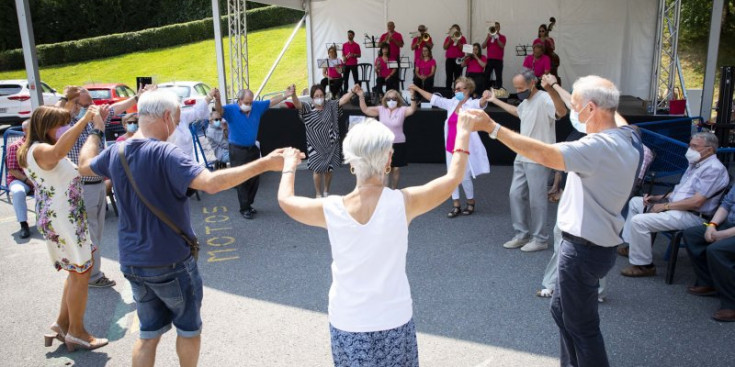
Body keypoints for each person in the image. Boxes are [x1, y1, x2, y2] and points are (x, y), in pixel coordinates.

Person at [78, 89, 290, 367]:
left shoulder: (116, 151)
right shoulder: (166, 153)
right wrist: (264, 163)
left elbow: (83, 166)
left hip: (133, 262)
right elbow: (212, 183)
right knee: (189, 330)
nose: (176, 126)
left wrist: (95, 131)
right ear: (166, 116)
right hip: (171, 261)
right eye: (176, 120)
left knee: (148, 334)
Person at [277, 114, 490, 367]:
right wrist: (463, 131)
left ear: (351, 160)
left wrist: (289, 164)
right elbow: (453, 177)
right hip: (394, 318)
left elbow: (286, 201)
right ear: (389, 159)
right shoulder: (404, 202)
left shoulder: (331, 208)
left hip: (348, 320)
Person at [468, 75, 640, 367]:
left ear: (591, 109)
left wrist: (492, 128)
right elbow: (610, 110)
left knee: (582, 328)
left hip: (583, 249)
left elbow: (545, 154)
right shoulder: (628, 135)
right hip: (593, 246)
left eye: (575, 105)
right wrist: (560, 88)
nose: (571, 111)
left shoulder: (597, 147)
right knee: (562, 312)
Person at [18, 105, 108, 351]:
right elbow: (59, 151)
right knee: (81, 274)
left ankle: (62, 324)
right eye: (60, 124)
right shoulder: (42, 150)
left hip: (61, 217)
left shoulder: (30, 149)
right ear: (46, 127)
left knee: (75, 272)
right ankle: (77, 332)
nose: (64, 128)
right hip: (65, 219)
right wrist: (85, 121)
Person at [620, 132, 729, 277]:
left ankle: (644, 266)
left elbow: (697, 202)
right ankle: (634, 247)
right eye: (690, 145)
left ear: (709, 150)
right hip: (678, 208)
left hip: (695, 216)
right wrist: (657, 198)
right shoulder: (696, 164)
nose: (690, 149)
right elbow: (681, 192)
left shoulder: (713, 169)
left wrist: (664, 207)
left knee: (639, 221)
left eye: (695, 146)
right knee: (635, 202)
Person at [63, 85, 141, 288]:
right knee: (89, 232)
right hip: (82, 186)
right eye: (87, 105)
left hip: (96, 183)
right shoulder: (68, 123)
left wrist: (135, 97)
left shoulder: (93, 120)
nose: (92, 108)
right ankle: (92, 275)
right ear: (73, 104)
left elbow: (115, 109)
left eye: (92, 104)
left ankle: (89, 272)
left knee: (96, 232)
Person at [486, 70, 567, 252]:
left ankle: (540, 239)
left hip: (538, 156)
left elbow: (561, 112)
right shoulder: (527, 101)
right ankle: (521, 235)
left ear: (532, 83)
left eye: (521, 87)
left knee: (536, 200)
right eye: (516, 88)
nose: (518, 91)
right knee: (515, 194)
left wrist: (553, 90)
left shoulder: (545, 98)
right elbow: (517, 111)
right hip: (522, 155)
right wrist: (495, 100)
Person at [409, 76, 491, 217]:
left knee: (464, 177)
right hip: (450, 146)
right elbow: (433, 98)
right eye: (455, 88)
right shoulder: (452, 103)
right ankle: (456, 204)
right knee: (451, 176)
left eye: (459, 88)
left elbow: (482, 103)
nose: (456, 91)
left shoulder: (471, 104)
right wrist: (416, 88)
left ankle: (470, 202)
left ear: (468, 90)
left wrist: (486, 96)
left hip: (464, 148)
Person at [214, 86, 293, 219]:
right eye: (246, 102)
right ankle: (244, 208)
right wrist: (218, 99)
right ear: (239, 101)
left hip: (252, 149)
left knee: (254, 178)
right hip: (237, 150)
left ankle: (249, 204)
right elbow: (219, 110)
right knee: (241, 178)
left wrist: (285, 95)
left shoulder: (256, 106)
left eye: (250, 102)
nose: (249, 105)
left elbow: (271, 101)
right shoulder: (231, 110)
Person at [682, 187, 735, 322]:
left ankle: (731, 303)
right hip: (728, 224)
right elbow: (726, 205)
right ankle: (708, 282)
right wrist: (712, 225)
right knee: (691, 235)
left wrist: (722, 235)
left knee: (717, 250)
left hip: (730, 231)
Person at [291, 85, 354, 197]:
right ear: (312, 97)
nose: (319, 98)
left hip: (330, 144)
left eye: (321, 95)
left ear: (324, 96)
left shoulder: (330, 105)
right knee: (317, 170)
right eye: (316, 96)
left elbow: (343, 100)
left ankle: (326, 191)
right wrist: (293, 94)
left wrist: (352, 91)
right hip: (314, 146)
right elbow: (297, 104)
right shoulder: (307, 108)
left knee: (329, 170)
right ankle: (318, 193)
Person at [355, 86, 418, 188]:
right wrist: (361, 96)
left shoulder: (402, 110)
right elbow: (365, 109)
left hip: (399, 143)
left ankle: (394, 190)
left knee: (396, 169)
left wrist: (412, 95)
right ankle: (386, 191)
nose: (391, 101)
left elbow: (412, 109)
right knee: (385, 169)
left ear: (398, 100)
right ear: (385, 100)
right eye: (388, 99)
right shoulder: (381, 109)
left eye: (394, 99)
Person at [6, 120, 34, 239]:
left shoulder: (41, 144)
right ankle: (23, 224)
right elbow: (13, 170)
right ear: (24, 131)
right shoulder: (15, 146)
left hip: (39, 179)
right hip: (20, 179)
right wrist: (28, 181)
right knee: (18, 192)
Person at [482, 21, 506, 89]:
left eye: (497, 27)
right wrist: (487, 37)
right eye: (494, 27)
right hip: (489, 60)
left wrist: (497, 38)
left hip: (498, 60)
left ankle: (499, 92)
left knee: (499, 77)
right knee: (486, 76)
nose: (495, 28)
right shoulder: (489, 37)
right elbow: (483, 46)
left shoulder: (502, 37)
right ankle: (485, 91)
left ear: (499, 28)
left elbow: (502, 46)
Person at [443, 24, 467, 88]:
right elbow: (445, 47)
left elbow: (463, 49)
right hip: (449, 59)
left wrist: (458, 41)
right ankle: (448, 92)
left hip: (459, 59)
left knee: (458, 77)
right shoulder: (448, 38)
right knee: (449, 76)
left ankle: (456, 92)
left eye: (456, 30)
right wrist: (450, 41)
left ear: (459, 31)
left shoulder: (463, 38)